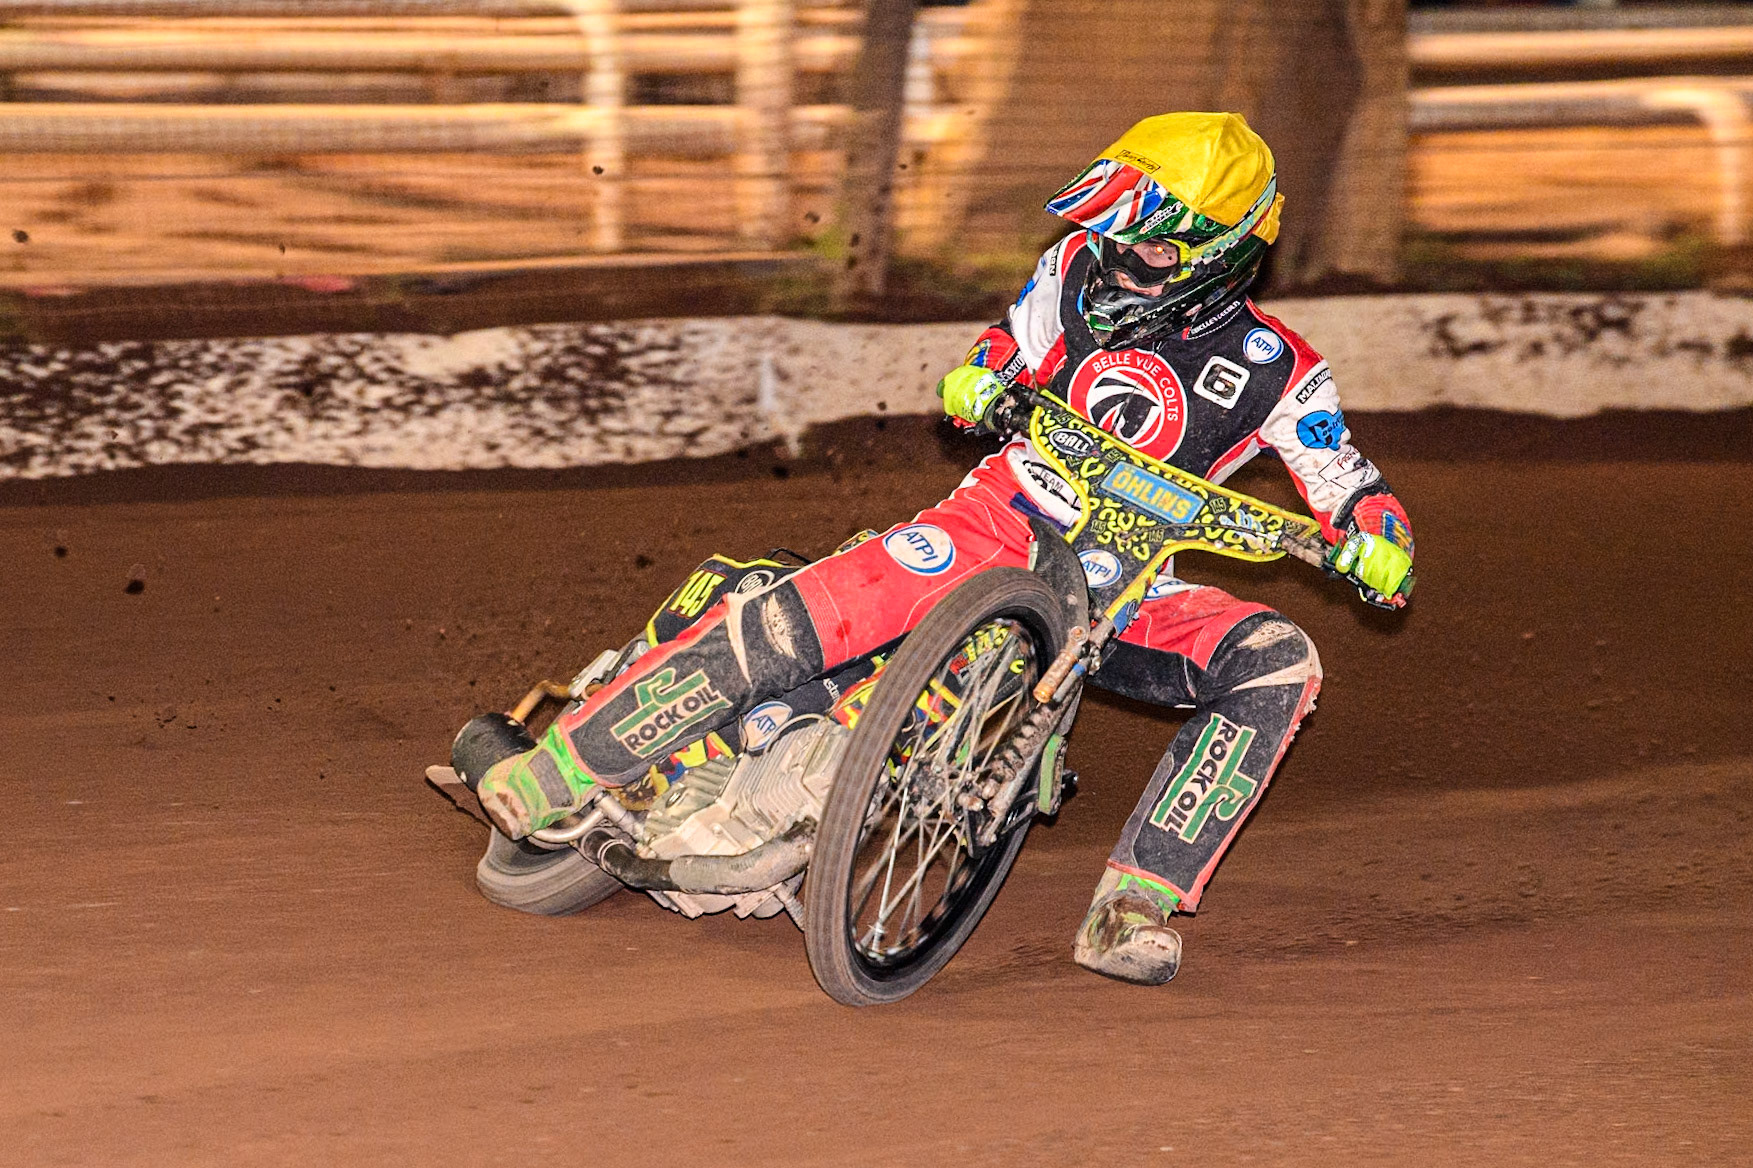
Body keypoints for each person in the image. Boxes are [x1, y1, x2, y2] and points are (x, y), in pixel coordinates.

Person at [464, 111, 1414, 986]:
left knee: (1280, 661)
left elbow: (1347, 484)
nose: (1121, 261)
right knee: (808, 611)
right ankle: (559, 773)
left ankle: (1134, 904)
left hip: (1126, 593)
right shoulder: (1075, 265)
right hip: (993, 523)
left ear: (1219, 257)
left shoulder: (1277, 371)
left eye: (1150, 247)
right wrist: (982, 378)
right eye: (1117, 239)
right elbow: (1007, 346)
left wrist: (1376, 539)